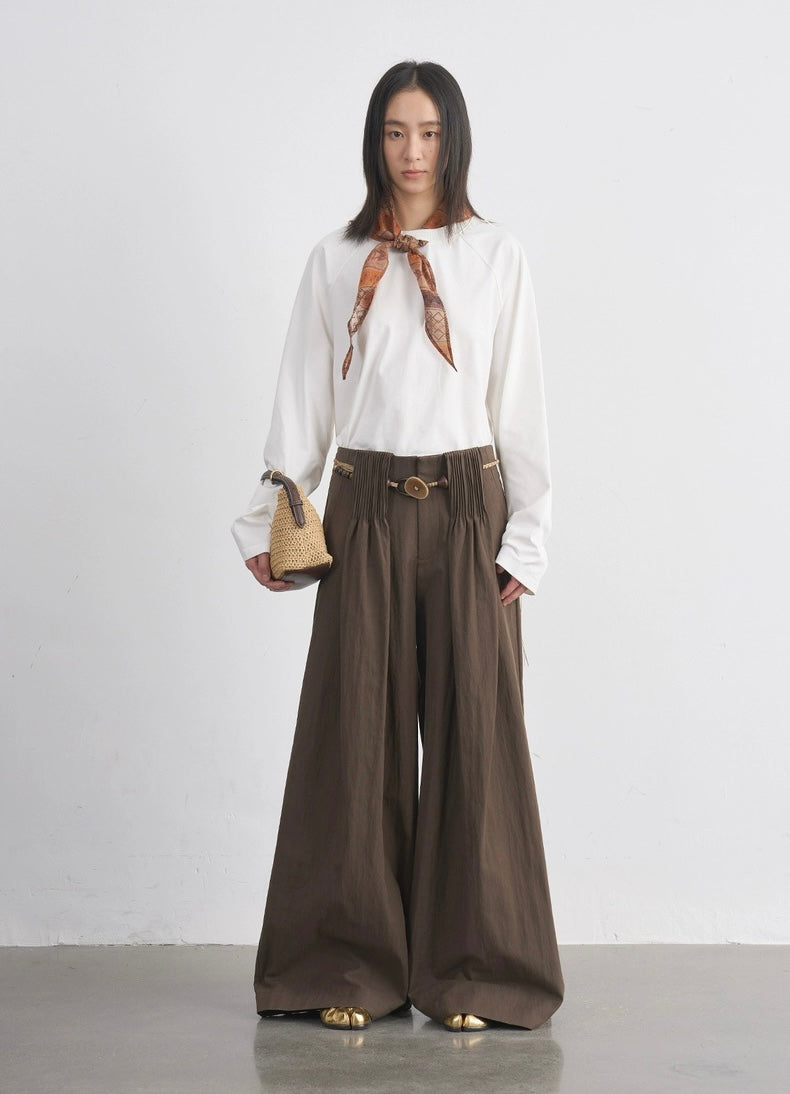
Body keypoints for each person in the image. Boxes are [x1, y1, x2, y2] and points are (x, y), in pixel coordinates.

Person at [231, 59, 564, 1033]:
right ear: (373, 141)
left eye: (428, 132)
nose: (412, 152)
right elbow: (303, 400)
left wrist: (528, 536)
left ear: (453, 140)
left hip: (470, 507)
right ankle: (345, 964)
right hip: (363, 505)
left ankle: (477, 970)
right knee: (353, 735)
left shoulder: (495, 254)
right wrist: (267, 520)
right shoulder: (335, 258)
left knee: (476, 740)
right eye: (394, 131)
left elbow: (519, 401)